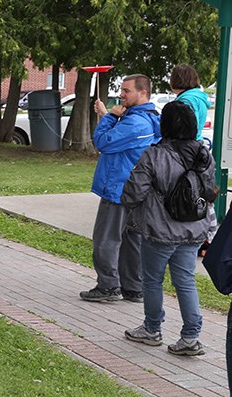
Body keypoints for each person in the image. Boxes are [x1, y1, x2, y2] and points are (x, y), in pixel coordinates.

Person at [120, 101, 212, 356]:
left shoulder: (154, 154)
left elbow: (132, 193)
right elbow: (209, 190)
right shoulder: (204, 154)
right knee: (185, 281)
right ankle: (191, 337)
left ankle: (152, 329)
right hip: (194, 230)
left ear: (165, 125)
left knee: (152, 280)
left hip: (160, 230)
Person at [79, 74, 161, 303]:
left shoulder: (135, 122)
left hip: (118, 188)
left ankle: (108, 286)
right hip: (135, 189)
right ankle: (134, 287)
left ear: (143, 92)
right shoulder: (148, 118)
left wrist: (108, 117)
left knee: (106, 239)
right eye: (122, 90)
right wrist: (110, 115)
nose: (121, 95)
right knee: (131, 240)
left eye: (127, 91)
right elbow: (122, 141)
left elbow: (103, 142)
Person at [170, 63, 209, 141]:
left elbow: (188, 130)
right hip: (195, 144)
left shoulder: (186, 101)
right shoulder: (197, 97)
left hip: (185, 148)